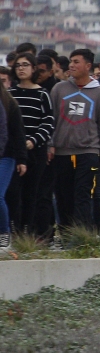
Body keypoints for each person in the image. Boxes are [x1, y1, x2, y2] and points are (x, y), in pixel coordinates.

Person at [48, 49, 100, 231]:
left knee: (83, 194)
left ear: (88, 66)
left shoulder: (99, 93)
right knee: (63, 196)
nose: (72, 65)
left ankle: (82, 236)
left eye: (76, 62)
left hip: (89, 152)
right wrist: (50, 144)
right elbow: (50, 119)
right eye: (70, 61)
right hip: (62, 152)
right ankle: (66, 232)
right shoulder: (59, 89)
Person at [10, 52, 54, 239]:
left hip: (36, 152)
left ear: (34, 68)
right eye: (18, 65)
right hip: (14, 152)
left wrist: (34, 140)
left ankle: (29, 231)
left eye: (25, 65)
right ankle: (14, 231)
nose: (21, 68)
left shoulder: (42, 94)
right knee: (13, 194)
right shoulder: (10, 94)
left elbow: (48, 122)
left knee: (32, 193)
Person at [0, 81, 23, 248]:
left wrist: (22, 159)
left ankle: (4, 232)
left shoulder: (9, 104)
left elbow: (17, 133)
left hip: (6, 156)